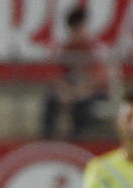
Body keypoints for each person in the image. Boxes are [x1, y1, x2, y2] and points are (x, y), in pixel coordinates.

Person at [40, 6, 109, 140]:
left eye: (80, 28)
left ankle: (79, 140)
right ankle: (47, 140)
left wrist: (79, 92)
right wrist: (64, 91)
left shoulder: (95, 48)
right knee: (50, 100)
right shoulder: (65, 48)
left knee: (81, 104)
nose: (78, 33)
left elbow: (99, 78)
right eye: (74, 29)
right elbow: (56, 76)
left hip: (92, 92)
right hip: (70, 90)